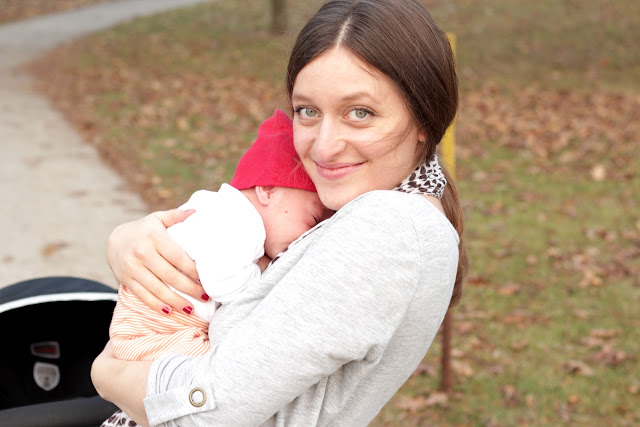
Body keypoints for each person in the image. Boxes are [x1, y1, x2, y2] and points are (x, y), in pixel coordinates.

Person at [92, 0, 470, 425]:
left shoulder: (388, 228)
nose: (323, 146)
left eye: (360, 113)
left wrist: (108, 374)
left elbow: (206, 415)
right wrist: (131, 240)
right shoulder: (375, 207)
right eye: (307, 111)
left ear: (423, 119)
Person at [109, 109, 329, 362]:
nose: (309, 236)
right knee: (217, 369)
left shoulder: (220, 209)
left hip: (158, 328)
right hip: (156, 332)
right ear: (268, 189)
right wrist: (262, 271)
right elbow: (224, 282)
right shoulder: (236, 222)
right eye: (313, 220)